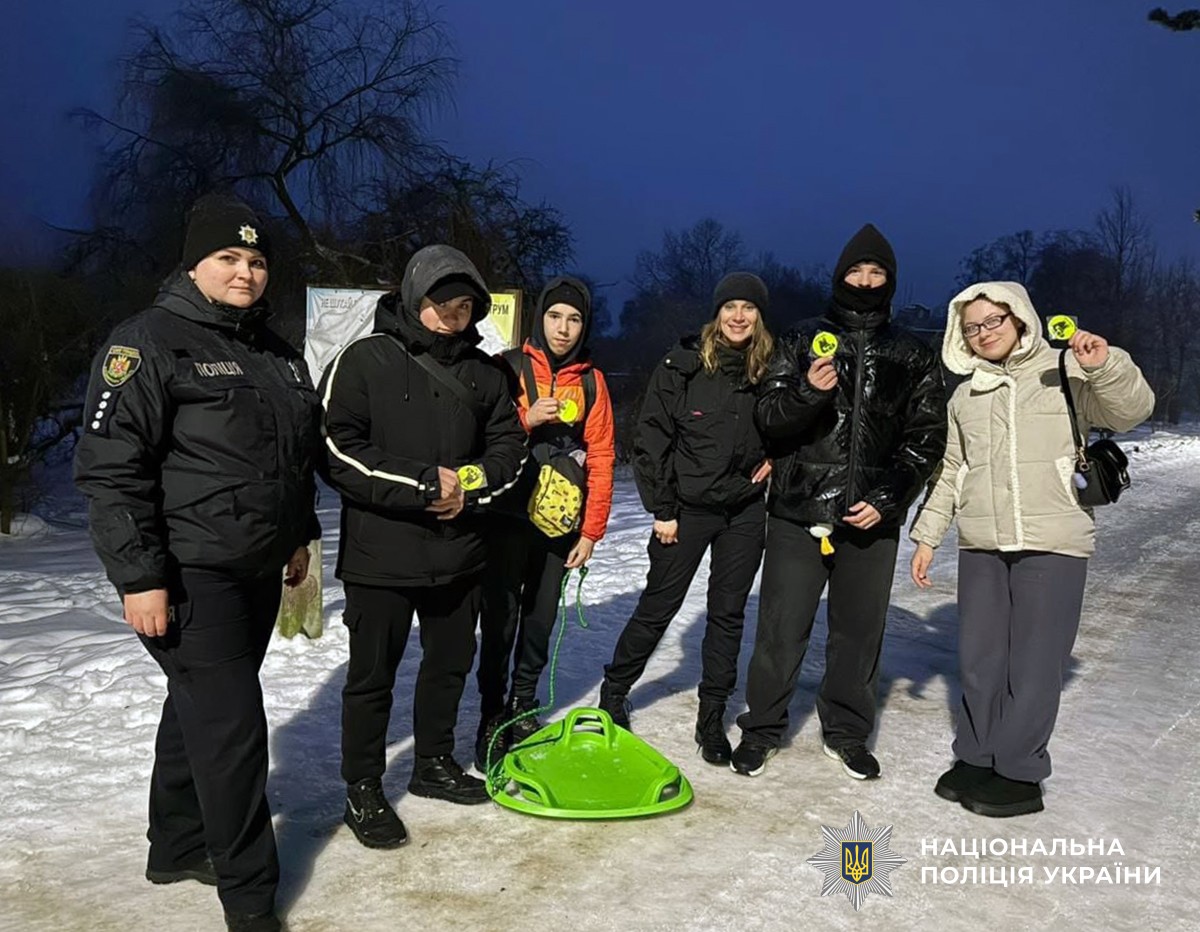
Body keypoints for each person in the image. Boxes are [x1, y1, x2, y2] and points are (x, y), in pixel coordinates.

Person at [74, 194, 322, 932]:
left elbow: (292, 459)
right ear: (194, 263)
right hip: (187, 573)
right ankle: (249, 901)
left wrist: (299, 536)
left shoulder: (275, 352)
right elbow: (111, 469)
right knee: (234, 732)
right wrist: (140, 576)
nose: (245, 272)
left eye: (256, 260)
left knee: (202, 713)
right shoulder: (147, 341)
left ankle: (176, 844)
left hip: (255, 565)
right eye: (228, 258)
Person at [910, 282, 1153, 817]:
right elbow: (951, 471)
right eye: (972, 327)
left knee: (1035, 664)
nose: (983, 333)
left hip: (1054, 540)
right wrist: (928, 535)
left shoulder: (1065, 370)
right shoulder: (963, 395)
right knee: (980, 658)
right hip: (982, 541)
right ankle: (976, 753)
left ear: (1019, 318)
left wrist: (1106, 364)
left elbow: (1132, 410)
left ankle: (1019, 770)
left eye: (993, 321)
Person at [320, 245, 526, 849]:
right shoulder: (363, 360)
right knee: (371, 678)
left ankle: (433, 763)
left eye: (464, 306)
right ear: (414, 298)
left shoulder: (487, 374)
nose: (451, 315)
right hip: (381, 556)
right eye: (441, 302)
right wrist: (419, 486)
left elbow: (509, 451)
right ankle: (363, 785)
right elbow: (336, 448)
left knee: (448, 666)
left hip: (460, 552)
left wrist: (470, 488)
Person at [731, 223, 947, 780]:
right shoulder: (801, 339)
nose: (867, 281)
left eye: (877, 273)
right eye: (858, 271)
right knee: (781, 629)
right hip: (799, 511)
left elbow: (925, 438)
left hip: (870, 520)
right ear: (840, 276)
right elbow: (770, 420)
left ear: (890, 281)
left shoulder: (911, 353)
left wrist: (889, 498)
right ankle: (761, 729)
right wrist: (810, 391)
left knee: (858, 633)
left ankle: (848, 732)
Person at [596, 273, 774, 766]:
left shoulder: (769, 368)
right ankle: (614, 691)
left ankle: (711, 715)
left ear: (760, 316)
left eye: (749, 308)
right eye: (730, 306)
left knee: (727, 615)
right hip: (687, 510)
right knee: (658, 605)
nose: (739, 316)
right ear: (716, 312)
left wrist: (778, 455)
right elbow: (651, 437)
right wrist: (664, 509)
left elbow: (790, 419)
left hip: (743, 510)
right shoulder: (683, 364)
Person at [474, 277, 616, 769]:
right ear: (540, 318)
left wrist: (592, 531)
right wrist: (527, 420)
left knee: (540, 617)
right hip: (505, 516)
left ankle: (523, 705)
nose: (563, 328)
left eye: (574, 319)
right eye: (555, 316)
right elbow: (477, 436)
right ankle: (492, 713)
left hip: (559, 522)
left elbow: (601, 455)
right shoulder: (507, 368)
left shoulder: (593, 382)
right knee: (499, 618)